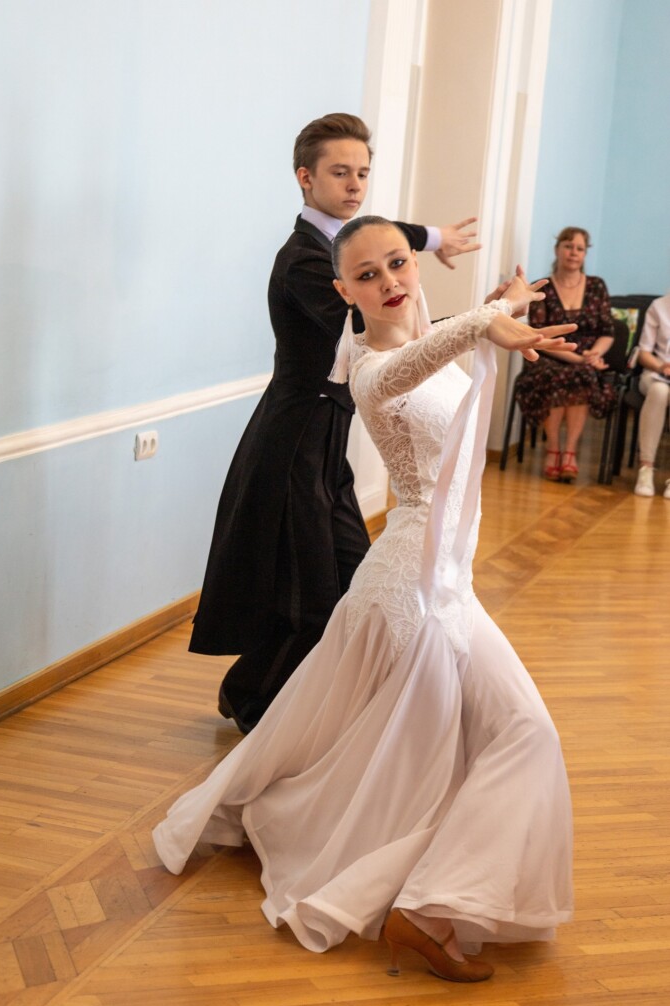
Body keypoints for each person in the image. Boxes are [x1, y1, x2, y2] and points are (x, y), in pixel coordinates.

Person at [153, 216, 576, 982]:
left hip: (442, 584)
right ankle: (426, 909)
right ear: (343, 291)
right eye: (367, 275)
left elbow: (438, 340)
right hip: (412, 596)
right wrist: (487, 320)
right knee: (511, 735)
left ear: (415, 265)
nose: (388, 282)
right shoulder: (368, 369)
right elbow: (417, 359)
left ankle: (424, 893)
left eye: (398, 263)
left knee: (460, 743)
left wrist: (502, 302)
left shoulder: (430, 338)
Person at [189, 113, 481, 734]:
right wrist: (486, 320)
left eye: (363, 173)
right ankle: (255, 706)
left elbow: (386, 244)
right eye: (340, 173)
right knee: (316, 596)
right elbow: (385, 331)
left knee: (354, 578)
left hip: (326, 442)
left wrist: (434, 239)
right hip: (292, 443)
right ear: (306, 178)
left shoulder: (343, 248)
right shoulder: (305, 260)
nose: (355, 185)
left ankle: (273, 696)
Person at [514, 226, 616, 481]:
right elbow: (540, 335)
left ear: (585, 254)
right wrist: (580, 358)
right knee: (555, 376)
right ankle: (553, 450)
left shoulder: (596, 285)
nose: (573, 252)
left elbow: (607, 331)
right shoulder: (543, 287)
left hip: (586, 356)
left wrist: (593, 354)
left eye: (579, 248)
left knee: (582, 375)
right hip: (549, 355)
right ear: (557, 249)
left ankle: (569, 452)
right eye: (568, 246)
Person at [633, 291, 670, 497]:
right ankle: (646, 469)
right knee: (659, 390)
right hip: (657, 373)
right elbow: (644, 353)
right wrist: (661, 367)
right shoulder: (659, 306)